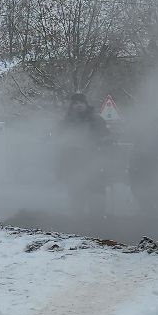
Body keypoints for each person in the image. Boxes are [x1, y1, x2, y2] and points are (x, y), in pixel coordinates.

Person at [57, 92, 112, 220]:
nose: (78, 105)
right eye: (75, 103)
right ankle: (78, 222)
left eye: (81, 102)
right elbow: (59, 143)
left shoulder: (96, 120)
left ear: (86, 104)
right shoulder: (66, 122)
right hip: (74, 163)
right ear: (71, 106)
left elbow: (107, 138)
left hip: (95, 162)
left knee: (96, 193)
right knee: (77, 194)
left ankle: (98, 220)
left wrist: (101, 146)